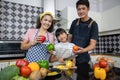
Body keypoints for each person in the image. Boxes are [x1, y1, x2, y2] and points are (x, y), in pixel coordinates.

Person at [68, 0, 99, 80]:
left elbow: (92, 45)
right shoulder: (74, 22)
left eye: (83, 8)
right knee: (69, 77)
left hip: (83, 60)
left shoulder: (93, 25)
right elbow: (69, 39)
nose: (81, 11)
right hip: (71, 58)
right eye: (79, 9)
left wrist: (82, 50)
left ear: (88, 9)